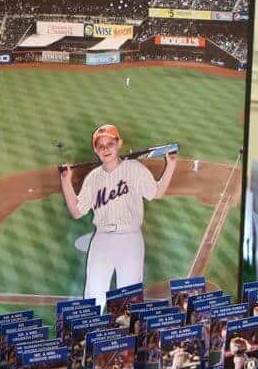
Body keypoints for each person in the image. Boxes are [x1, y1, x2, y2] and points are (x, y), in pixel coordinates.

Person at [59, 123, 177, 306]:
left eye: (110, 144)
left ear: (119, 143)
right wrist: (66, 182)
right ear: (96, 150)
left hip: (130, 238)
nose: (106, 149)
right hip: (102, 239)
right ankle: (90, 332)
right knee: (93, 297)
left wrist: (170, 165)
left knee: (130, 300)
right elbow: (76, 211)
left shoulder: (134, 169)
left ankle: (128, 333)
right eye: (101, 146)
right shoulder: (93, 178)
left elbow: (158, 192)